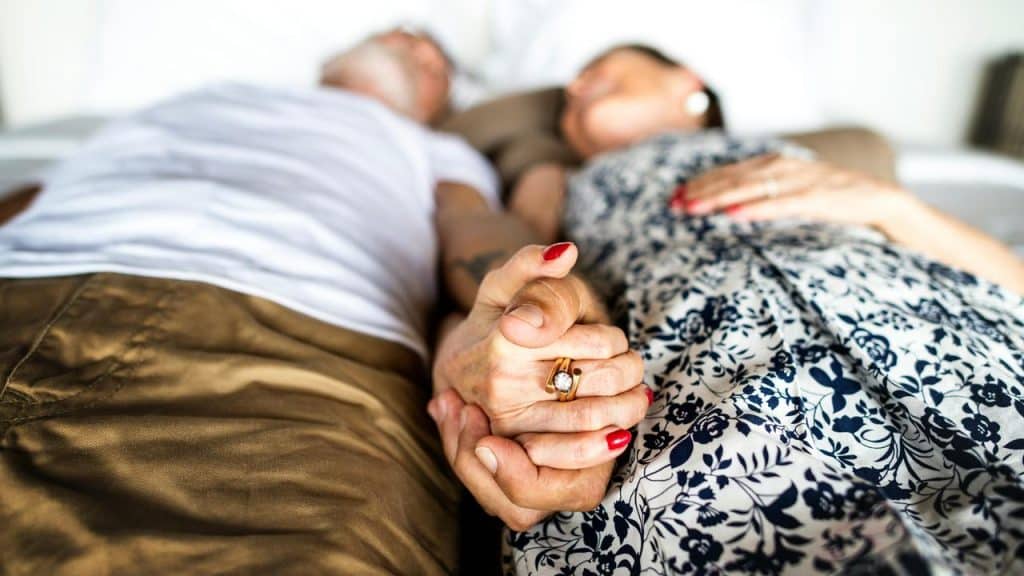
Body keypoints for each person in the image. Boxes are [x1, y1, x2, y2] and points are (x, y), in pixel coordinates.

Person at [0, 30, 644, 575]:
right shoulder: (192, 99)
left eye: (431, 57)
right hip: (24, 288)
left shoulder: (438, 149)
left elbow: (478, 243)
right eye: (393, 32)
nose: (408, 39)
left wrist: (535, 319)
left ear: (437, 100)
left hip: (289, 363)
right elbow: (26, 202)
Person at [434, 44, 1024, 574]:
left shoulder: (801, 150)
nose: (577, 86)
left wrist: (893, 206)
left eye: (601, 68)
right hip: (706, 372)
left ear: (686, 80)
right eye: (567, 96)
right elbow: (505, 266)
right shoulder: (558, 176)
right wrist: (473, 351)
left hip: (943, 331)